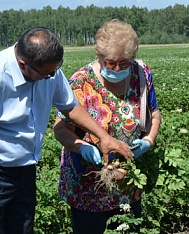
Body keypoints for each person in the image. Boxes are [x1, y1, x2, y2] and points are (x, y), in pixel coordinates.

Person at [0, 26, 133, 234]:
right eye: (47, 74)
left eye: (54, 71)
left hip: (25, 167)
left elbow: (70, 107)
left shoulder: (48, 70)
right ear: (23, 65)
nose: (52, 77)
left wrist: (103, 137)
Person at [53, 19, 162, 234]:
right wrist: (82, 148)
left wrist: (148, 141)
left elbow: (155, 115)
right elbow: (60, 128)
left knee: (128, 228)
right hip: (87, 184)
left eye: (124, 63)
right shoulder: (81, 81)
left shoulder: (142, 75)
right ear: (99, 55)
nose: (117, 68)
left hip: (127, 180)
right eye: (111, 62)